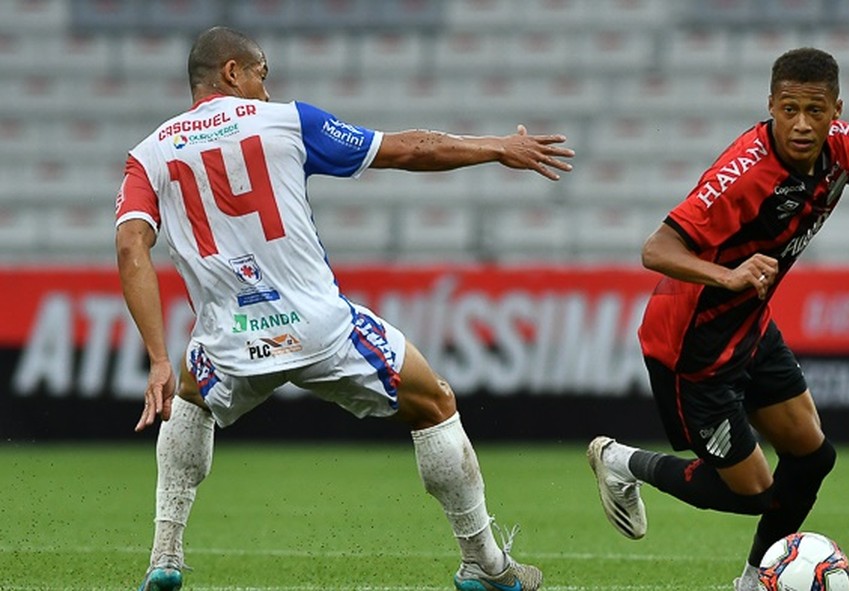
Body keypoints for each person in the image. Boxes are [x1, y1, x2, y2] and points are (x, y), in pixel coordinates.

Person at [115, 26, 573, 591]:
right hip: (320, 329)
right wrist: (496, 146)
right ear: (232, 71)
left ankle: (165, 555)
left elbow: (131, 246)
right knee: (435, 403)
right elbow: (407, 148)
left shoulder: (148, 154)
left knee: (190, 396)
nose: (265, 88)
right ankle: (483, 562)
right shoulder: (287, 120)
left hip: (228, 342)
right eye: (261, 72)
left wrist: (158, 357)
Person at [587, 47, 849, 591]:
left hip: (750, 328)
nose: (801, 124)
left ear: (836, 110)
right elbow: (655, 250)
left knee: (812, 457)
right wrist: (730, 277)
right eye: (788, 109)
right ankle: (621, 461)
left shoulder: (845, 148)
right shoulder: (743, 174)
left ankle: (755, 580)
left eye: (815, 109)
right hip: (692, 345)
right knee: (752, 493)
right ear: (771, 106)